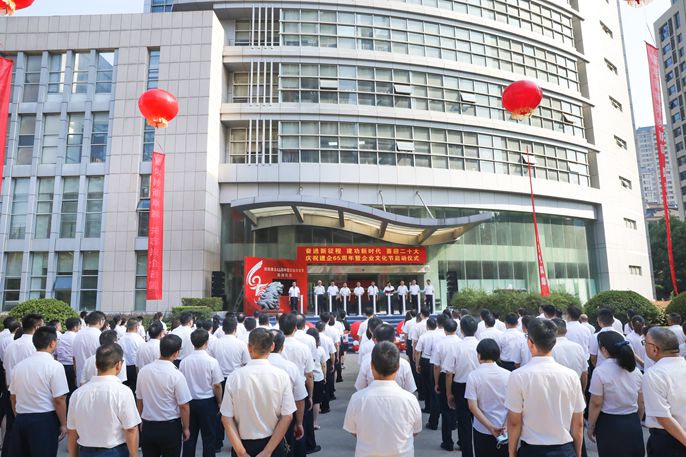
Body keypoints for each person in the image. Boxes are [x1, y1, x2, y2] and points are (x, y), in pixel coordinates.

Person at [505, 318, 586, 457]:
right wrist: (578, 453)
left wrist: (512, 452)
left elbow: (514, 422)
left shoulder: (518, 376)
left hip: (532, 451)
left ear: (530, 342)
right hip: (564, 450)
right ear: (554, 342)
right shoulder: (571, 376)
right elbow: (578, 423)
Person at [221, 328, 296, 457]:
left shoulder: (235, 377)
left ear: (249, 347)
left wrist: (241, 452)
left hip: (242, 443)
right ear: (272, 346)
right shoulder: (281, 376)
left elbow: (226, 418)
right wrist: (268, 451)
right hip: (273, 443)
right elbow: (287, 416)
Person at [344, 342, 422, 457]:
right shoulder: (410, 399)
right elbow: (415, 431)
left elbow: (353, 431)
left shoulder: (357, 398)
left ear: (372, 366)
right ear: (398, 367)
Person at [67, 343, 141, 457]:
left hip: (86, 451)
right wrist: (134, 454)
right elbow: (131, 429)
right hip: (115, 451)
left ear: (96, 364)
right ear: (118, 365)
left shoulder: (77, 394)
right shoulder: (123, 392)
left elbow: (72, 431)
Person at [8, 327, 69, 457]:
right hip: (44, 419)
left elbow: (13, 397)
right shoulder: (55, 366)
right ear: (52, 343)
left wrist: (18, 416)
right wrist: (63, 423)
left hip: (21, 417)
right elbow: (59, 399)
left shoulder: (19, 366)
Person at [587, 331, 644, 457]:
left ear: (604, 350)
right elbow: (641, 401)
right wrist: (638, 419)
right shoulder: (635, 371)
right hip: (632, 420)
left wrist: (591, 426)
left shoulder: (600, 371)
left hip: (609, 423)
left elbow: (596, 403)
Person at [136, 334, 192, 457]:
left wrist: (139, 421)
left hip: (148, 425)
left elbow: (139, 399)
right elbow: (183, 405)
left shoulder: (143, 371)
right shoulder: (176, 375)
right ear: (176, 353)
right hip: (170, 427)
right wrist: (186, 427)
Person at [179, 329, 223, 457]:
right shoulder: (212, 361)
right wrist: (219, 402)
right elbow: (217, 385)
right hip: (208, 402)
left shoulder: (184, 362)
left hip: (189, 402)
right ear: (206, 342)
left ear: (192, 343)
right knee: (209, 437)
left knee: (189, 436)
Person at [642, 327, 686, 456]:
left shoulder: (654, 374)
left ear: (654, 349)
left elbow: (663, 417)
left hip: (669, 441)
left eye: (645, 343)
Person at [279, 314, 318, 455]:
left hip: (279, 388)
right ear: (295, 328)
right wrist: (310, 395)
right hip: (300, 388)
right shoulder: (303, 347)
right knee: (299, 425)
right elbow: (309, 374)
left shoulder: (275, 346)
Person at [465, 338, 510, 457]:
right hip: (505, 430)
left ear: (479, 355)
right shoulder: (508, 375)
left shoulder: (473, 376)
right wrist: (506, 425)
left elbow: (472, 406)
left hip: (482, 429)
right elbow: (513, 405)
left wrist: (490, 427)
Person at [445, 316, 480, 457]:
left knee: (464, 423)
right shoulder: (481, 344)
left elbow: (449, 372)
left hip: (460, 387)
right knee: (480, 421)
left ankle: (467, 453)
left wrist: (449, 393)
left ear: (462, 330)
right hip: (478, 385)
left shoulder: (456, 346)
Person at [268, 330, 306, 455]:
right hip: (285, 417)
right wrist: (299, 423)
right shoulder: (290, 367)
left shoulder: (247, 369)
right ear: (281, 347)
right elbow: (299, 398)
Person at [354, 324, 416, 393]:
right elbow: (410, 390)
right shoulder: (404, 364)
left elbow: (360, 388)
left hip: (371, 398)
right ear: (394, 340)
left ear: (374, 340)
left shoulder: (366, 362)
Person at [431, 318, 460, 451]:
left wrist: (436, 383)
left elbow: (436, 366)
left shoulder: (440, 344)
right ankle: (462, 441)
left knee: (446, 409)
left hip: (444, 376)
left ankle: (447, 442)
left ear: (444, 329)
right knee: (460, 409)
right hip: (459, 377)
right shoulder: (461, 343)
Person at [551, 319, 588, 392]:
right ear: (566, 331)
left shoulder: (549, 349)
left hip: (557, 391)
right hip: (576, 389)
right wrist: (582, 392)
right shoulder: (578, 347)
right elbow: (584, 373)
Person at [414, 317, 439, 426]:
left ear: (427, 326)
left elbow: (418, 351)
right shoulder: (440, 335)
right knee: (434, 386)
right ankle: (433, 407)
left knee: (426, 385)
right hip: (436, 361)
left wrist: (417, 364)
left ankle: (428, 407)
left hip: (425, 361)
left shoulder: (423, 336)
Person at [73, 311, 106, 387]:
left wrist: (76, 375)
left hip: (80, 376)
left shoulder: (78, 335)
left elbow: (74, 358)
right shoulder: (100, 336)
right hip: (96, 378)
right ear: (101, 321)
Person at [306, 328, 327, 430]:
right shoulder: (320, 349)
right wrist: (325, 376)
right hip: (318, 377)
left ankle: (307, 422)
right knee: (316, 401)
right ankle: (314, 422)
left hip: (306, 377)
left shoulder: (305, 349)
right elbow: (323, 364)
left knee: (307, 400)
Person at [56, 317, 81, 398]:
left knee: (63, 389)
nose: (80, 328)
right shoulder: (77, 337)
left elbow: (56, 352)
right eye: (79, 325)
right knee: (72, 389)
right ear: (75, 327)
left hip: (61, 365)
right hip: (71, 366)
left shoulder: (60, 337)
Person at [119, 318, 144, 394]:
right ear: (136, 327)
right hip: (134, 367)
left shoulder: (121, 339)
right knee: (134, 388)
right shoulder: (139, 339)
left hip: (122, 366)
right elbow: (142, 352)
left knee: (124, 388)